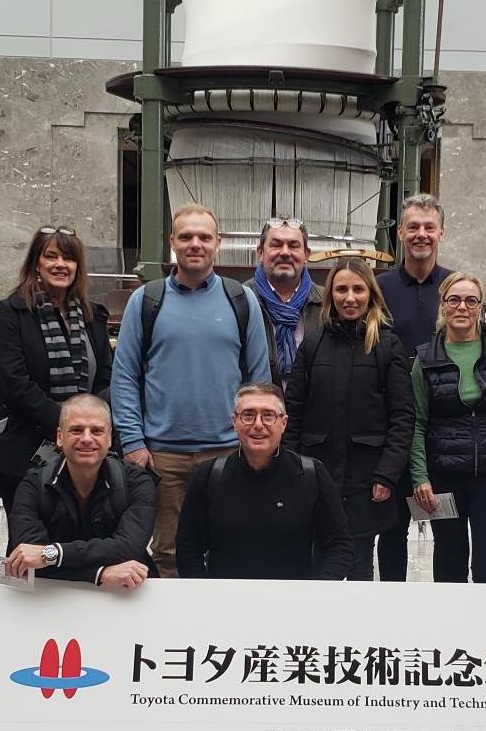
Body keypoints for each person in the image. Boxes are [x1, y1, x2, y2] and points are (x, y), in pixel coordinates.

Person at [110, 205, 272, 577]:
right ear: (172, 243)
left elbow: (259, 383)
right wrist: (133, 443)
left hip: (227, 453)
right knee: (167, 550)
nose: (195, 244)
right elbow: (125, 377)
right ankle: (172, 634)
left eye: (204, 237)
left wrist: (254, 443)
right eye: (186, 237)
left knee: (231, 546)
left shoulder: (241, 301)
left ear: (219, 243)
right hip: (162, 457)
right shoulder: (147, 301)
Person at [283, 255, 413, 580]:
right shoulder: (313, 345)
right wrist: (292, 467)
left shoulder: (387, 345)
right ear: (331, 295)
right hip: (317, 473)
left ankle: (358, 632)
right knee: (315, 565)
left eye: (358, 289)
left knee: (357, 567)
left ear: (370, 293)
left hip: (366, 481)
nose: (350, 297)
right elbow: (294, 411)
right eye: (341, 289)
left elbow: (402, 416)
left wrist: (387, 475)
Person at [409, 272, 486, 584]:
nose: (462, 307)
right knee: (449, 562)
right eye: (454, 299)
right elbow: (416, 423)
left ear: (479, 307)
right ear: (443, 306)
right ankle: (450, 632)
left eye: (471, 300)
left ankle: (485, 632)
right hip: (444, 477)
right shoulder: (425, 358)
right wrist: (420, 476)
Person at [0, 226, 112, 512]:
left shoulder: (93, 316)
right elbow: (14, 382)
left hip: (83, 450)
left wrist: (82, 429)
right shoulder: (11, 313)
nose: (60, 265)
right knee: (27, 545)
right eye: (51, 256)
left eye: (68, 258)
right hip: (25, 448)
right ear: (36, 262)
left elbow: (105, 379)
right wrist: (63, 425)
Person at [177, 383, 352, 580]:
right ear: (234, 422)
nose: (258, 424)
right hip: (225, 602)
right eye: (248, 415)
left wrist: (316, 591)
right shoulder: (209, 475)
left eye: (268, 415)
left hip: (294, 602)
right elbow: (188, 548)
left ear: (283, 423)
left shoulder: (312, 474)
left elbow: (339, 545)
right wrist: (205, 593)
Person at [376, 193, 453, 581]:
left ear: (441, 232)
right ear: (401, 233)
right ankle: (393, 613)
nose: (421, 234)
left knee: (445, 525)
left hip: (441, 431)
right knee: (390, 529)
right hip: (389, 426)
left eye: (429, 227)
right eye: (413, 227)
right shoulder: (379, 287)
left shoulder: (455, 289)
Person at [6, 394, 157, 589]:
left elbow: (127, 549)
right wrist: (99, 574)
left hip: (126, 596)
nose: (87, 439)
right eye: (76, 430)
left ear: (110, 437)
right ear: (60, 437)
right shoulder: (33, 485)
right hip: (51, 602)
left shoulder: (137, 482)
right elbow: (27, 558)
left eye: (97, 431)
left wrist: (53, 554)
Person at [250, 216, 324, 384]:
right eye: (276, 245)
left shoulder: (327, 304)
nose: (285, 252)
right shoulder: (242, 301)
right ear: (260, 253)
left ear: (306, 254)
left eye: (293, 245)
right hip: (261, 408)